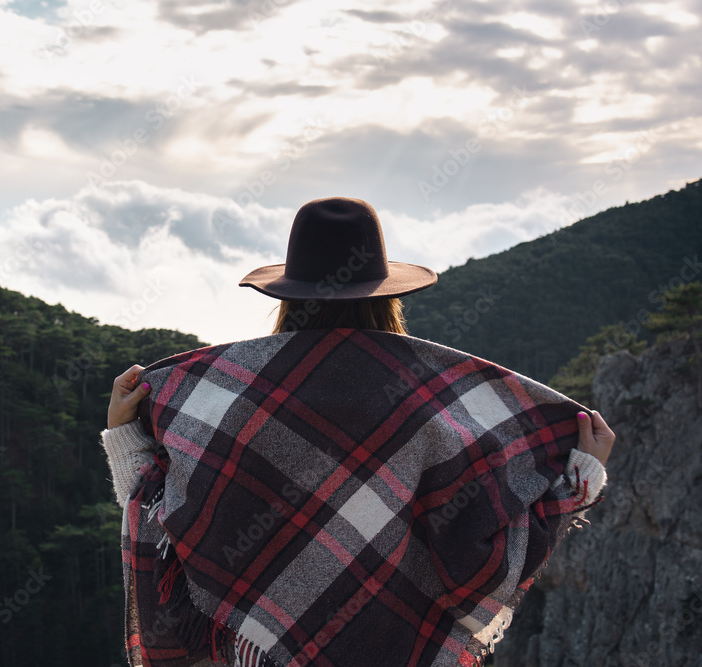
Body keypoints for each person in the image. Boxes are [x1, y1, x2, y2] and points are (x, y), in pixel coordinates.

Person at [100, 197, 615, 667]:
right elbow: (483, 560)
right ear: (386, 293)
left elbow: (164, 524)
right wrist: (577, 479)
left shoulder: (231, 404)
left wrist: (126, 437)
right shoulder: (433, 403)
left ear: (287, 295)